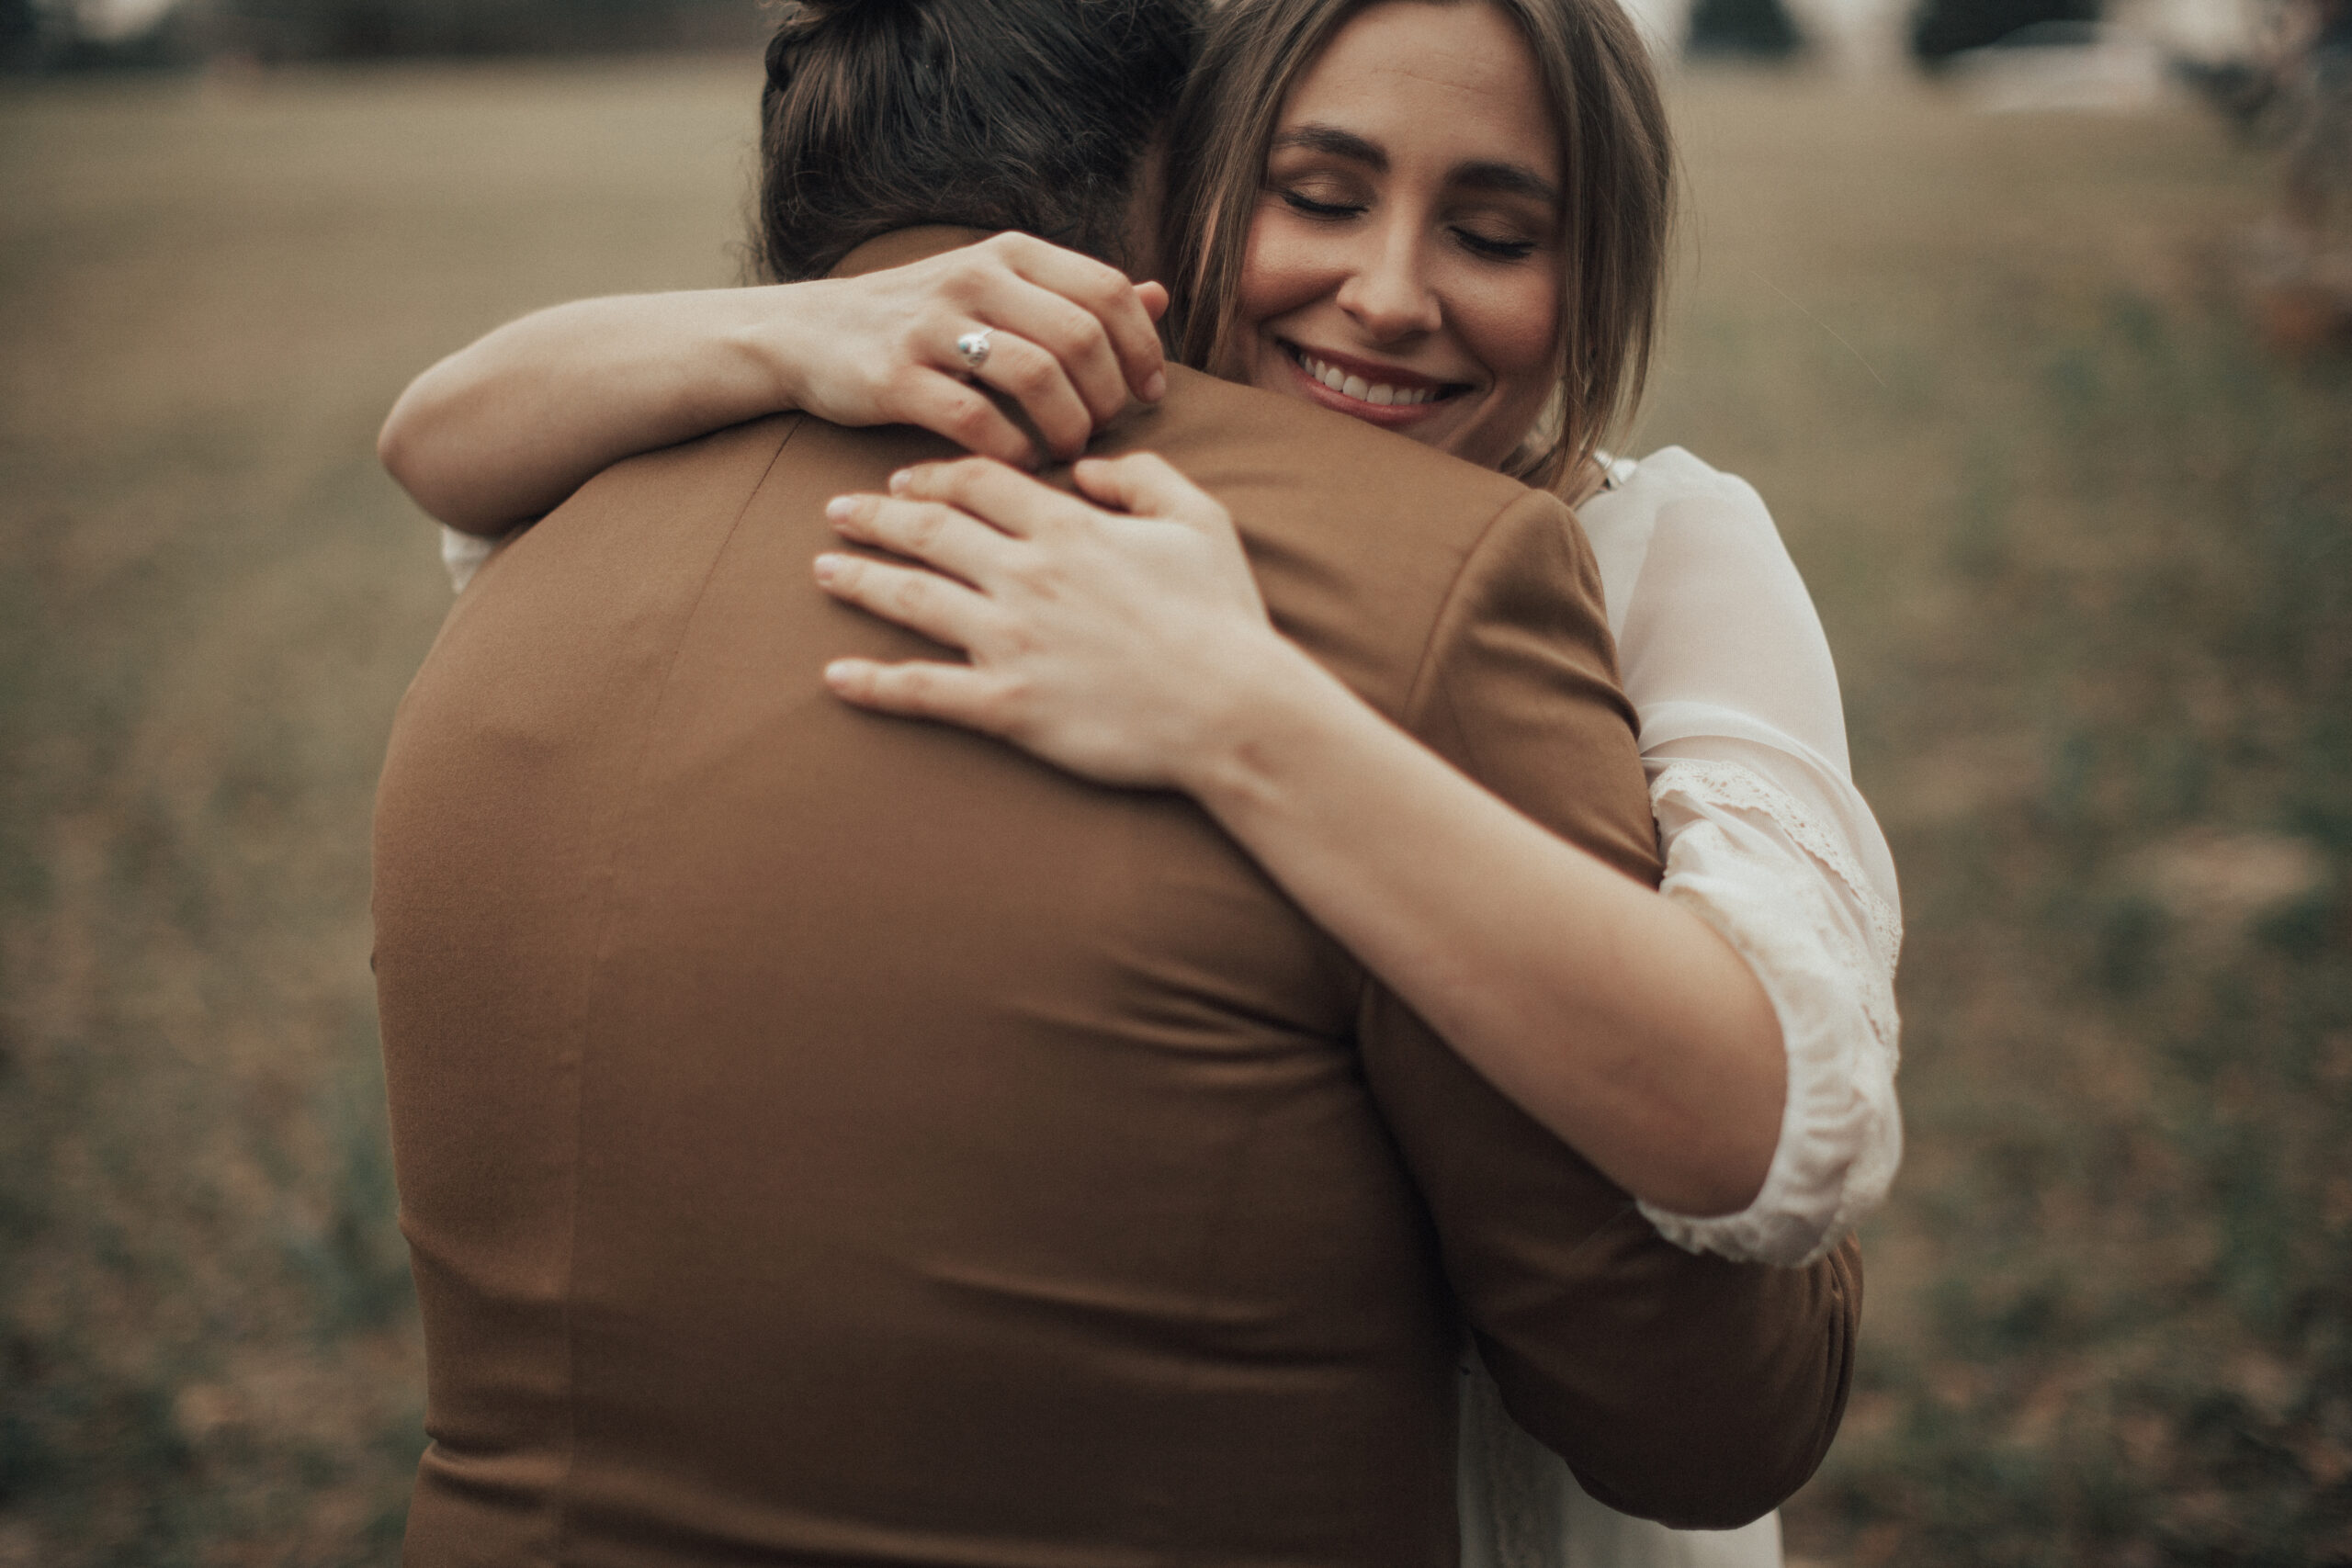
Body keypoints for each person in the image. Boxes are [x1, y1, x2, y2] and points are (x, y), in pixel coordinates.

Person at [370, 0, 1861, 1563]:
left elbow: (1759, 1128)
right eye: (1319, 195)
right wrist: (803, 328)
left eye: (1494, 233)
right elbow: (430, 436)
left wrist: (1243, 711)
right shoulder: (1282, 555)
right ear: (1197, 184)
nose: (1386, 294)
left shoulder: (1632, 560)